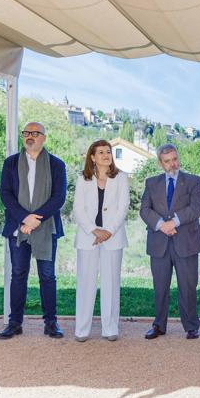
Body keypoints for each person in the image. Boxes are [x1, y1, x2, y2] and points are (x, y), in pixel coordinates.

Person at [0, 122, 67, 339]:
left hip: (46, 227)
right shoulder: (10, 163)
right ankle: (15, 323)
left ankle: (51, 324)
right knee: (18, 274)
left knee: (47, 276)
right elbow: (5, 195)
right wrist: (24, 218)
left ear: (43, 138)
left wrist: (35, 220)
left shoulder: (56, 164)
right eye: (26, 133)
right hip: (18, 226)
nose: (29, 136)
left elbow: (59, 197)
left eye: (35, 133)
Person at [140, 144, 200, 340]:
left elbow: (196, 208)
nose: (172, 164)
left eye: (175, 159)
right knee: (160, 287)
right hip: (159, 242)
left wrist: (173, 222)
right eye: (167, 161)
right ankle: (159, 325)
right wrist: (161, 225)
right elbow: (144, 210)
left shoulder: (193, 181)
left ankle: (191, 326)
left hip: (186, 242)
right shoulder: (151, 183)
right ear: (161, 163)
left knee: (188, 286)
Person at [73, 140, 129, 342]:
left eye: (109, 151)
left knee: (111, 282)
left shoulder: (121, 178)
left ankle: (110, 327)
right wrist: (94, 231)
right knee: (85, 283)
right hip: (88, 238)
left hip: (113, 238)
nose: (106, 155)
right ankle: (82, 329)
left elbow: (123, 208)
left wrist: (108, 231)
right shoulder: (83, 179)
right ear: (92, 157)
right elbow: (78, 209)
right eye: (101, 152)